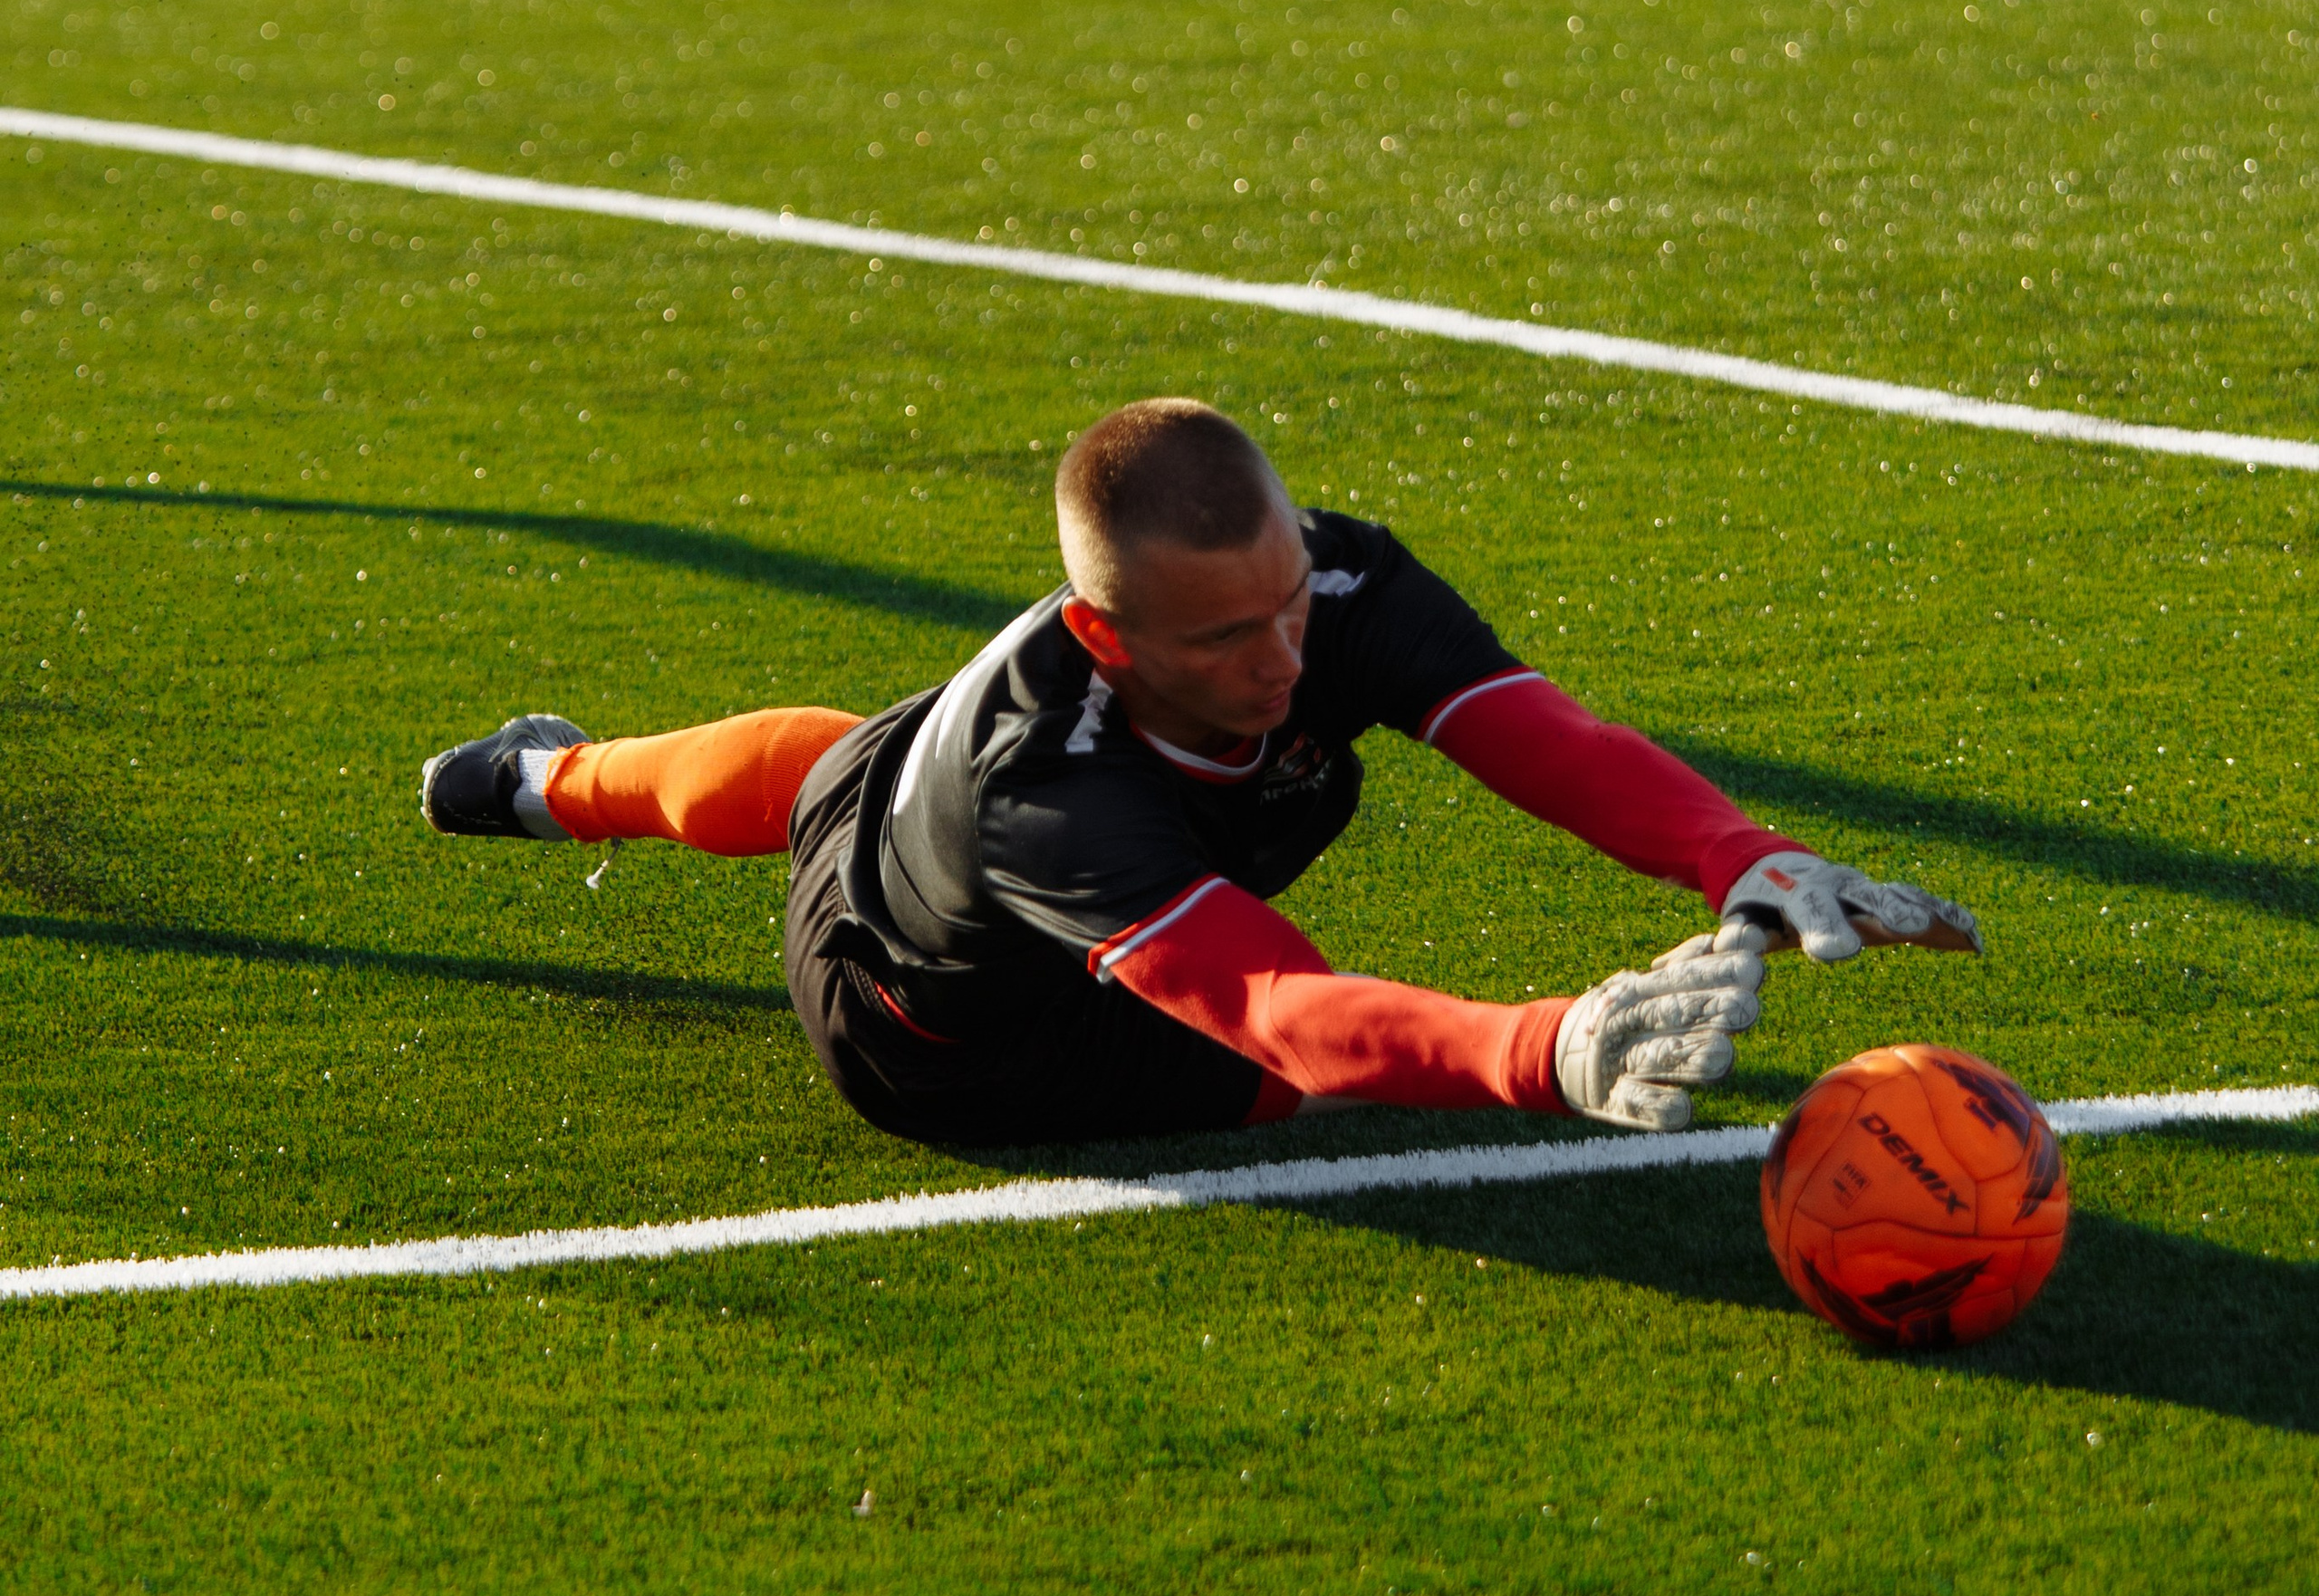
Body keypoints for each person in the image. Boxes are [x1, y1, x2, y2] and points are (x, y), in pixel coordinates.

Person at [420, 399, 1981, 1154]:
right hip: (948, 1041)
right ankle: (558, 783)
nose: (1282, 652)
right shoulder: (1043, 783)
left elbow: (1542, 736)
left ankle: (535, 780)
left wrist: (1734, 850)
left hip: (960, 828)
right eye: (1228, 636)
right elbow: (1275, 1003)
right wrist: (1544, 1044)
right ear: (1103, 633)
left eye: (1288, 600)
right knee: (1271, 1085)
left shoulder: (1334, 582)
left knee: (853, 762)